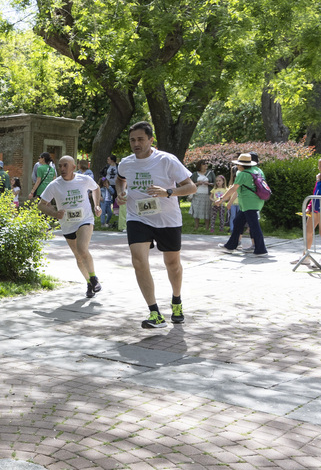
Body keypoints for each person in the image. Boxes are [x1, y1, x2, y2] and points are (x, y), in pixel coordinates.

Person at [115, 122, 197, 328]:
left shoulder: (167, 160)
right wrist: (120, 192)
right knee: (139, 261)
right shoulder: (126, 163)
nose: (136, 144)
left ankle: (176, 300)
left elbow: (191, 187)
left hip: (167, 219)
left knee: (172, 264)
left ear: (151, 140)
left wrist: (168, 192)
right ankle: (154, 313)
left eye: (140, 139)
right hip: (138, 217)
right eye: (132, 140)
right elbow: (120, 179)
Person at [39, 155, 103, 297]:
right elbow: (41, 205)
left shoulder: (84, 179)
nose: (62, 168)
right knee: (78, 256)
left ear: (74, 167)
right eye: (60, 166)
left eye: (65, 165)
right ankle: (88, 283)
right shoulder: (55, 185)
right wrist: (55, 213)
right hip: (67, 225)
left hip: (84, 220)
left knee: (82, 249)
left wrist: (97, 205)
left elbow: (96, 188)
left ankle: (94, 278)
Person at [216, 153, 268, 256]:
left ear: (242, 165)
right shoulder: (258, 170)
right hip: (256, 201)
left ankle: (261, 250)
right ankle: (231, 245)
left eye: (238, 164)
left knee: (254, 226)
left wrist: (221, 199)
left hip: (249, 203)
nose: (237, 166)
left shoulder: (242, 174)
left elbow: (233, 188)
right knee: (238, 221)